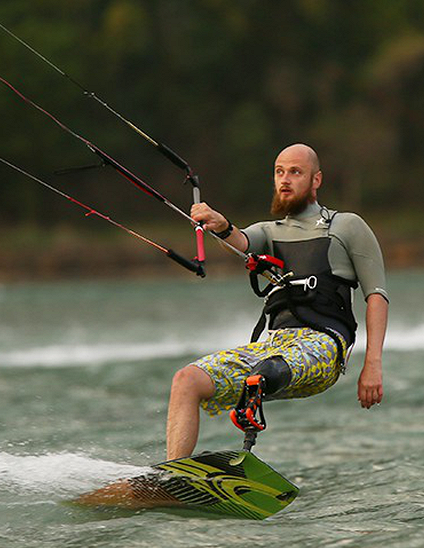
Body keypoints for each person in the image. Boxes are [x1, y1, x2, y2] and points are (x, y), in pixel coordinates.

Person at [165, 143, 389, 460]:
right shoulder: (269, 231)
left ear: (316, 180)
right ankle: (173, 474)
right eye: (279, 172)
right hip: (273, 345)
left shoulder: (347, 226)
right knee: (186, 380)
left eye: (295, 172)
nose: (284, 180)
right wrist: (218, 223)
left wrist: (373, 364)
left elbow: (377, 295)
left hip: (323, 346)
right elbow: (240, 239)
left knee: (263, 373)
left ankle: (249, 416)